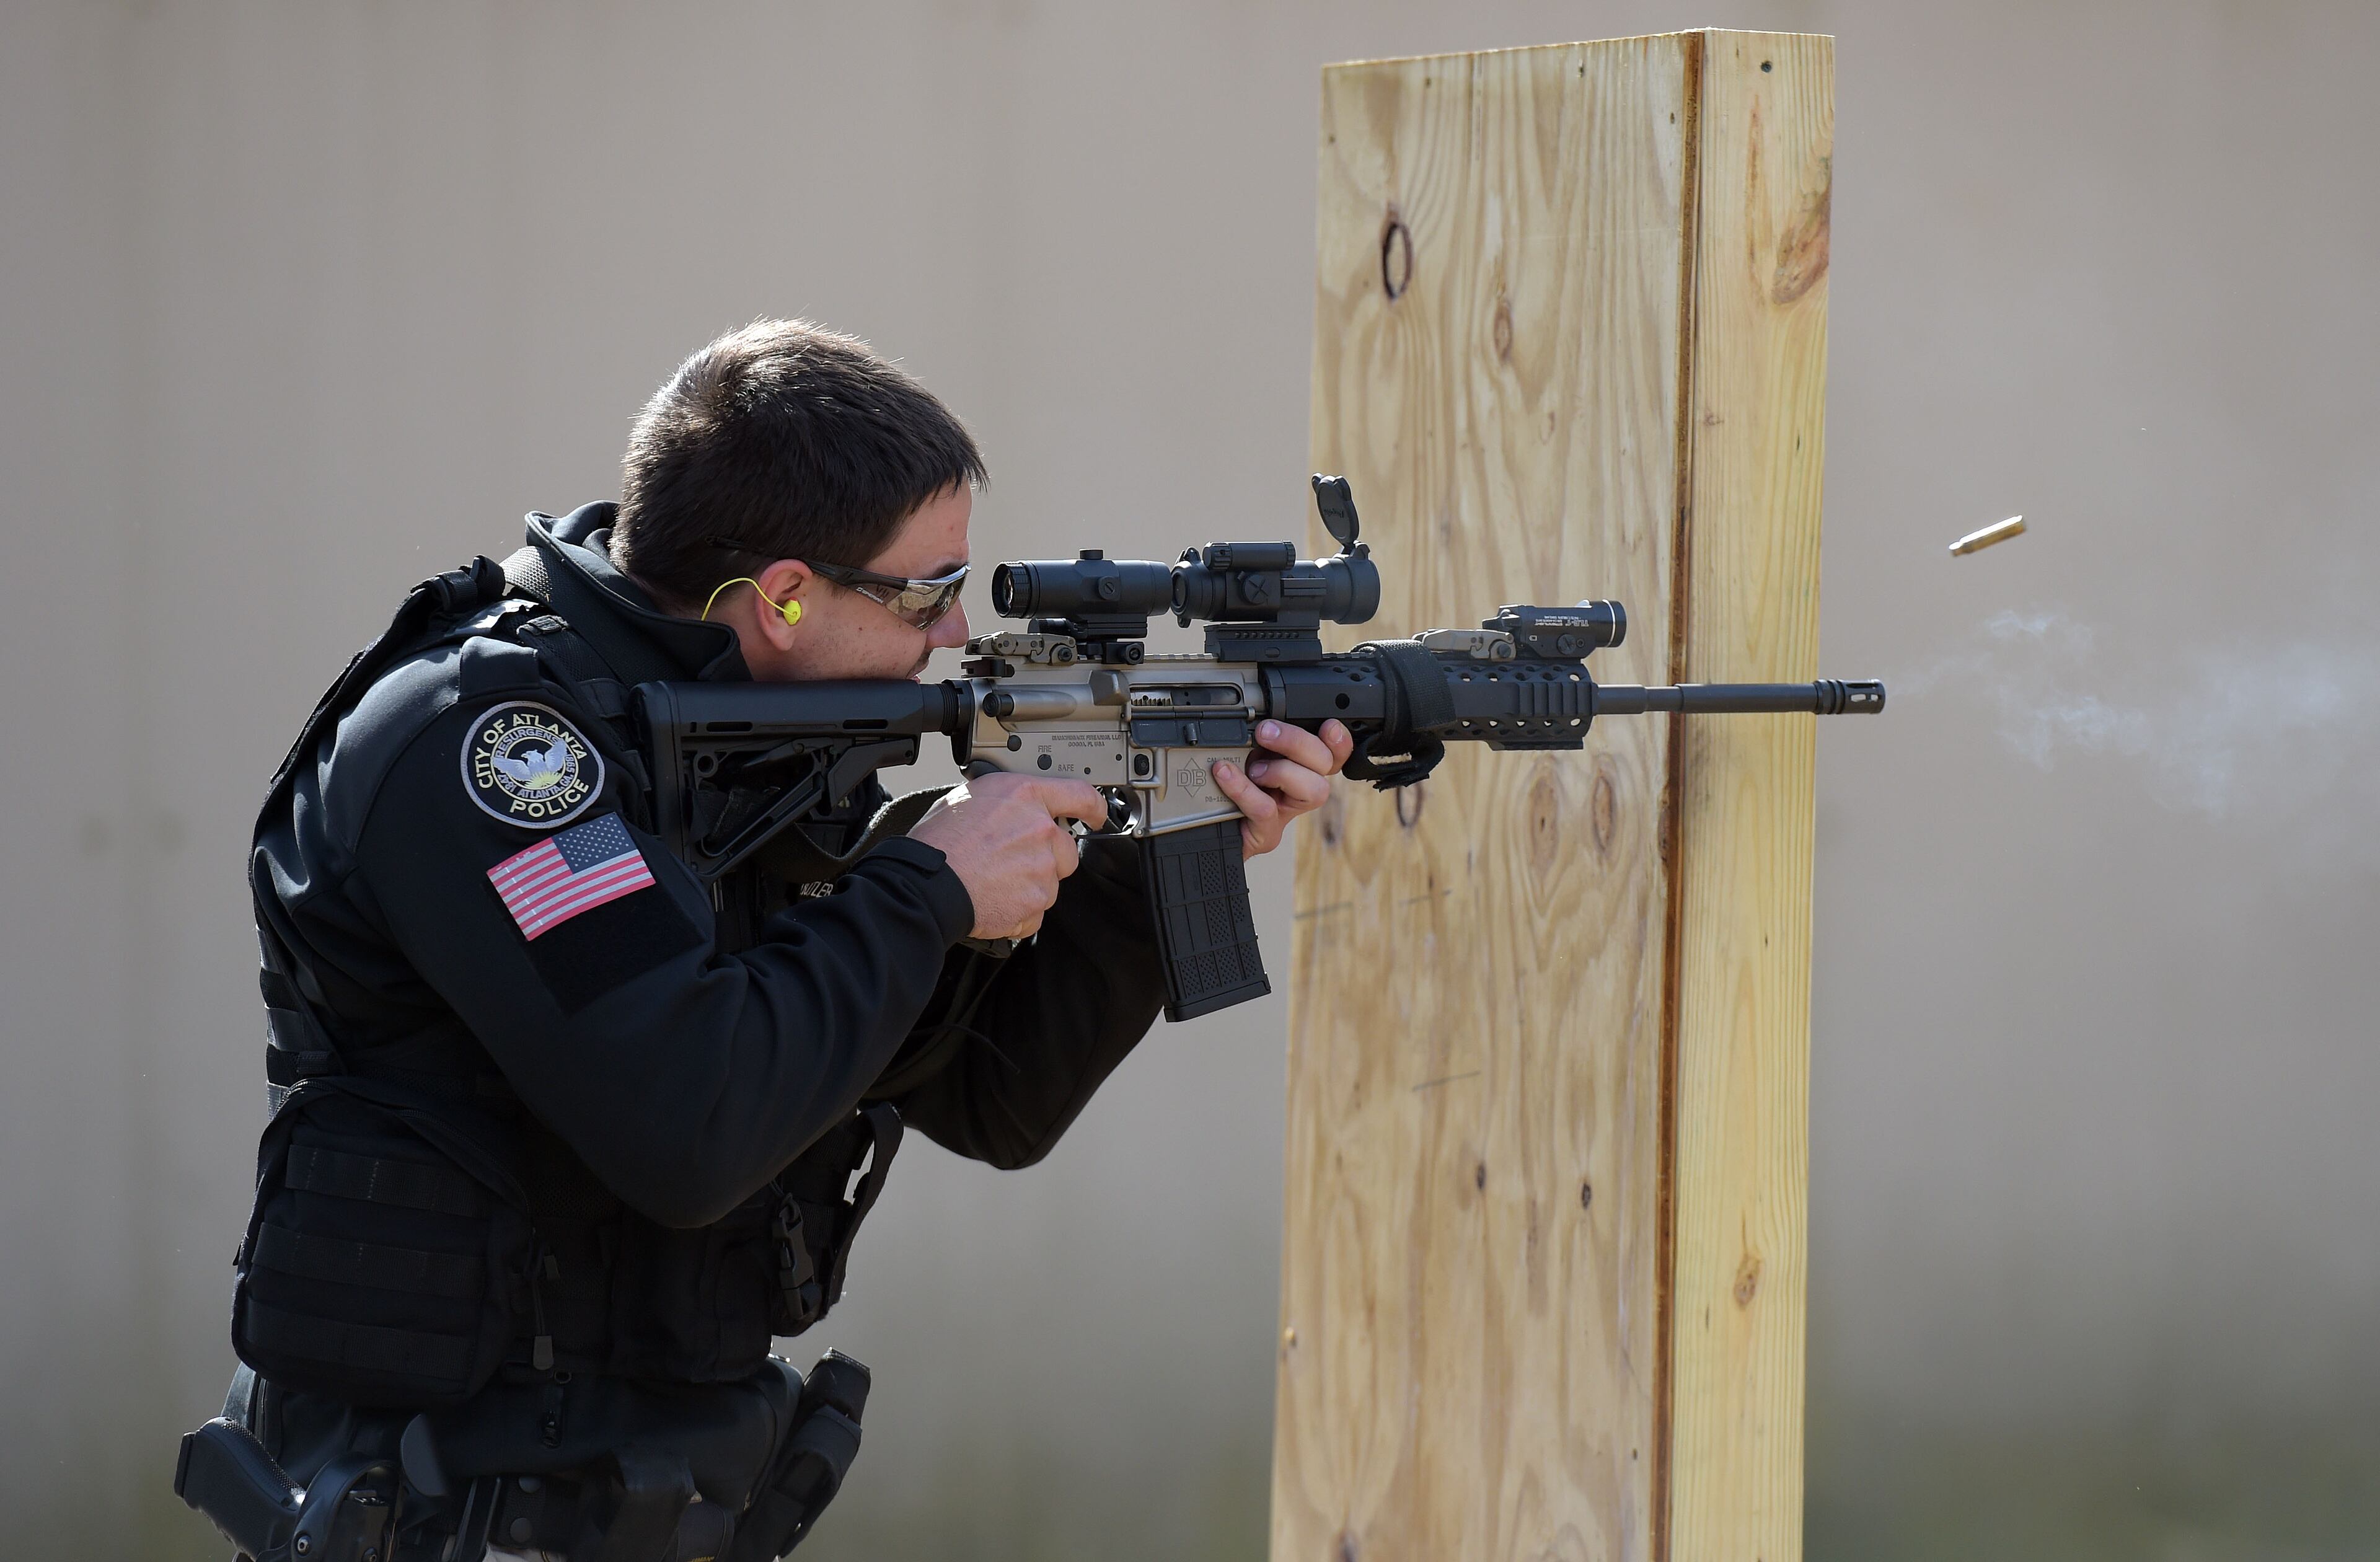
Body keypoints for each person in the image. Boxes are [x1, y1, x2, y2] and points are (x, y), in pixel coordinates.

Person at [204, 319, 1352, 1561]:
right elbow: (689, 1122)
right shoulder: (495, 752)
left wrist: (1143, 856)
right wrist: (924, 888)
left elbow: (988, 1100)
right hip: (436, 1506)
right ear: (785, 595)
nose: (958, 633)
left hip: (647, 1501)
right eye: (927, 592)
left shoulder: (769, 744)